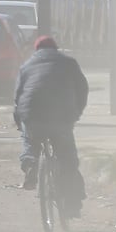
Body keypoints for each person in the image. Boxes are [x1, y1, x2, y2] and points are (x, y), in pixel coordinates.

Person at [14, 36, 89, 218]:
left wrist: (20, 121)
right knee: (68, 159)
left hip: (33, 116)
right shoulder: (69, 63)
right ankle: (72, 204)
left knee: (30, 142)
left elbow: (18, 97)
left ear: (36, 50)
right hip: (61, 117)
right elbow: (82, 89)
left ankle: (30, 162)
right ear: (56, 49)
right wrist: (76, 113)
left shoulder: (26, 66)